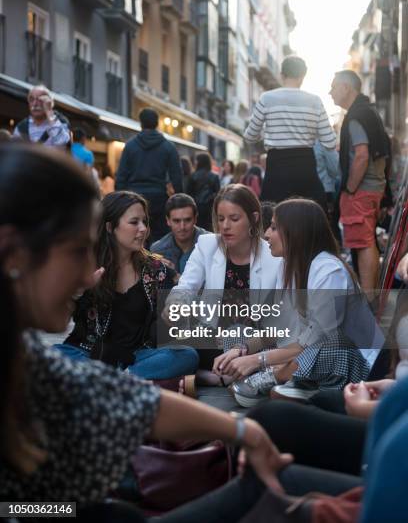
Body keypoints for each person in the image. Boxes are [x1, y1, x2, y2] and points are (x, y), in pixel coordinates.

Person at [0, 141, 329, 515]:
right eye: (77, 252)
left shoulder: (29, 357)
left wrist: (245, 432)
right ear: (13, 254)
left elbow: (130, 400)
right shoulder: (201, 252)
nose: (85, 276)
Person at [226, 198, 371, 407]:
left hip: (346, 361)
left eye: (274, 228)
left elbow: (318, 341)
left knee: (329, 344)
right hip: (302, 352)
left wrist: (258, 360)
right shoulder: (286, 266)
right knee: (236, 334)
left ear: (296, 232)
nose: (266, 233)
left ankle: (280, 377)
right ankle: (293, 381)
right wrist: (242, 350)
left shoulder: (330, 271)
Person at [56, 190, 198, 381]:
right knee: (54, 354)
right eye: (134, 222)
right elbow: (58, 317)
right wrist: (78, 290)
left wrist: (177, 308)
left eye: (144, 222)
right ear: (110, 226)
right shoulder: (86, 265)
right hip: (87, 354)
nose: (143, 229)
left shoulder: (155, 269)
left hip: (137, 358)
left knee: (186, 355)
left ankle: (111, 381)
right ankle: (115, 382)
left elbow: (183, 296)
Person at [167, 184, 281, 382]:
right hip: (211, 339)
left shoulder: (274, 257)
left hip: (252, 342)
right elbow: (186, 286)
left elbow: (277, 321)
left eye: (234, 219)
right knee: (162, 330)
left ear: (253, 218)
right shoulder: (207, 245)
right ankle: (215, 376)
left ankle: (206, 376)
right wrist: (176, 303)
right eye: (221, 219)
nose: (225, 226)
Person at [243, 56, 336, 208]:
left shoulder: (266, 98)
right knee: (309, 218)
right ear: (303, 76)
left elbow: (250, 136)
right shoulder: (315, 101)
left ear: (282, 75)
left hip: (277, 168)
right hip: (305, 167)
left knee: (274, 218)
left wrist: (267, 132)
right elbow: (330, 142)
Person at [330, 70, 389, 293]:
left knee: (363, 243)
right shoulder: (368, 112)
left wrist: (350, 189)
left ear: (347, 88)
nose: (330, 92)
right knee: (368, 241)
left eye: (334, 87)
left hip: (361, 191)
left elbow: (362, 155)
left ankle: (367, 299)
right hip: (373, 189)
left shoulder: (356, 116)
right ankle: (370, 295)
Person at [115, 108, 183, 242]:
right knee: (159, 239)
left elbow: (121, 176)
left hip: (133, 198)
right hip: (159, 199)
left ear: (141, 123)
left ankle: (137, 262)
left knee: (135, 237)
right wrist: (178, 201)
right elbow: (177, 176)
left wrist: (119, 201)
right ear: (157, 123)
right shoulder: (168, 147)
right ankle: (156, 262)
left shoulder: (130, 146)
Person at [151, 193, 207, 278]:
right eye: (176, 221)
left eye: (187, 220)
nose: (182, 227)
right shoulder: (158, 250)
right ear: (168, 221)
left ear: (195, 219)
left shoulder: (211, 244)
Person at [187, 152, 220, 231]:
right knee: (210, 229)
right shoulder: (214, 176)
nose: (195, 162)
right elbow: (218, 193)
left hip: (196, 206)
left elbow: (188, 193)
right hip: (210, 207)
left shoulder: (192, 176)